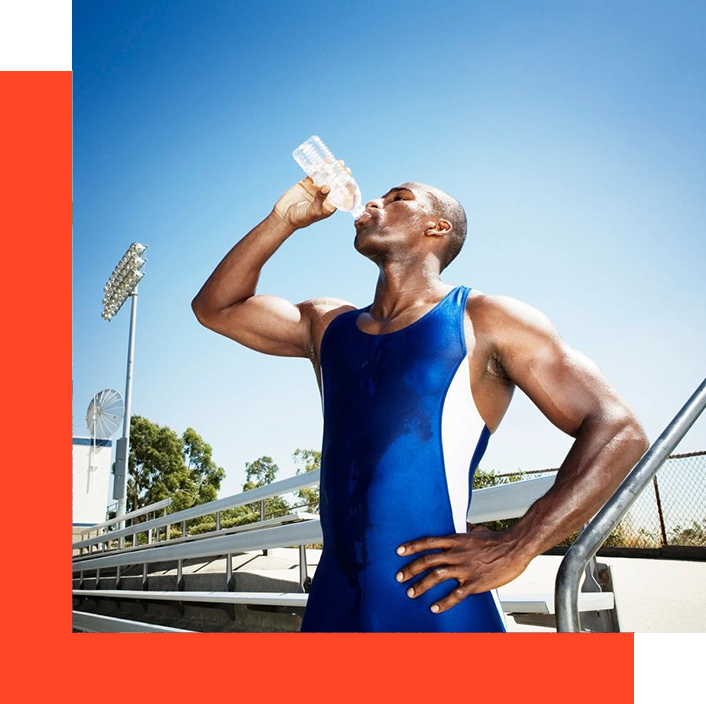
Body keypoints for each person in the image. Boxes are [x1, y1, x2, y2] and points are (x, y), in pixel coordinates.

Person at [191, 163, 650, 632]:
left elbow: (620, 430)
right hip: (332, 605)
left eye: (398, 198)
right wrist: (283, 219)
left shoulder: (485, 320)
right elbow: (215, 308)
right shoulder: (327, 325)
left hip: (437, 608)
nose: (374, 203)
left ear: (438, 227)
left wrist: (519, 544)